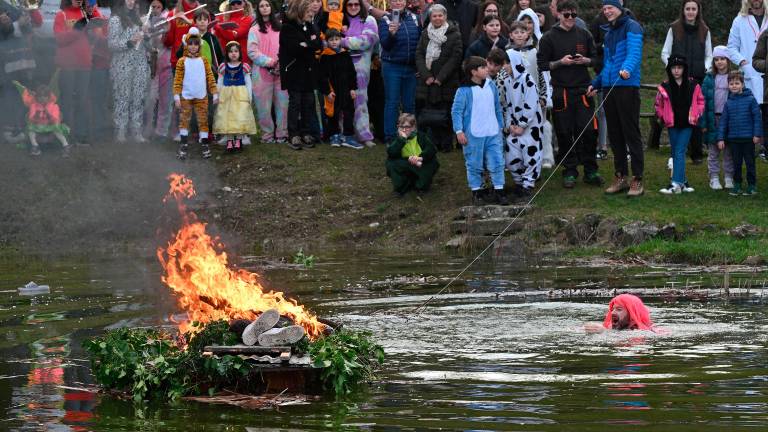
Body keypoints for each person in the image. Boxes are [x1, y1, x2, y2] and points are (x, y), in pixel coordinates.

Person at [538, 0, 603, 189]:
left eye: (573, 15)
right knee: (565, 132)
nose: (570, 19)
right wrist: (560, 63)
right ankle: (570, 171)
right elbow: (542, 64)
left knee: (590, 131)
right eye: (566, 15)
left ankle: (591, 170)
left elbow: (596, 60)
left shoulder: (584, 34)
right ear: (558, 14)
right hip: (561, 90)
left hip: (583, 89)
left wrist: (585, 60)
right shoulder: (549, 37)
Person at [588, 0, 644, 197]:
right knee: (615, 134)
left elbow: (634, 54)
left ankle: (637, 179)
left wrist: (627, 69)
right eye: (604, 9)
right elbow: (609, 63)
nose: (607, 11)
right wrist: (596, 83)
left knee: (631, 133)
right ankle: (620, 176)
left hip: (626, 86)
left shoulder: (632, 26)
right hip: (610, 87)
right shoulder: (609, 32)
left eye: (610, 7)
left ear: (619, 8)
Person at [451, 56, 508, 205]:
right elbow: (456, 111)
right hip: (473, 134)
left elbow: (497, 106)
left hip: (493, 132)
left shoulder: (491, 85)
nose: (487, 69)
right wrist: (459, 131)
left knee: (497, 161)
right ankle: (477, 192)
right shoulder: (463, 90)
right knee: (474, 163)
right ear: (473, 72)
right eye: (482, 67)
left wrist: (500, 126)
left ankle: (500, 191)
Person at [661, 1, 712, 165]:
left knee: (695, 115)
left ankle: (697, 154)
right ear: (683, 11)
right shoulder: (674, 28)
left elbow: (709, 54)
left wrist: (704, 68)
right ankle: (676, 152)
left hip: (697, 78)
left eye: (693, 9)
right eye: (688, 9)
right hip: (677, 79)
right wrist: (672, 67)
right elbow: (665, 52)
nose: (690, 12)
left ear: (698, 11)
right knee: (676, 115)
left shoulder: (705, 30)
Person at [53, 0, 105, 146]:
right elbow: (59, 40)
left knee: (82, 101)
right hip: (67, 65)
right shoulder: (61, 15)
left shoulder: (87, 13)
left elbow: (98, 38)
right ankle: (65, 135)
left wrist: (92, 27)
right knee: (66, 101)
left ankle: (80, 135)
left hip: (84, 65)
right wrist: (77, 29)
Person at [414, 3, 462, 153]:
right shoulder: (425, 34)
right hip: (427, 81)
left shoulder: (454, 34)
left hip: (446, 81)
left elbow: (455, 58)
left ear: (445, 17)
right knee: (430, 113)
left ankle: (446, 144)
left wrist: (440, 78)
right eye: (434, 16)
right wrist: (426, 76)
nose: (437, 18)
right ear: (430, 17)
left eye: (440, 15)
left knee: (446, 114)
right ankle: (432, 143)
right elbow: (419, 55)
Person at [654, 55, 705, 195]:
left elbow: (701, 101)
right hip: (672, 124)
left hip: (687, 124)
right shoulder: (664, 86)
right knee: (676, 152)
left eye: (679, 68)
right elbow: (658, 104)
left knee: (679, 151)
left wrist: (697, 113)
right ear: (669, 69)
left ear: (684, 69)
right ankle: (684, 182)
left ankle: (675, 184)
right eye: (673, 68)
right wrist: (663, 116)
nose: (676, 70)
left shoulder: (693, 85)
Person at [500, 49, 543, 200]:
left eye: (507, 63)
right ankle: (519, 184)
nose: (504, 66)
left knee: (531, 155)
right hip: (514, 127)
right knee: (512, 155)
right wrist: (510, 125)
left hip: (530, 127)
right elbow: (507, 106)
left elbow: (531, 105)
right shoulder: (507, 81)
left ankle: (528, 186)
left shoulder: (527, 80)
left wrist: (523, 125)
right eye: (504, 63)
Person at [279, 0, 322, 150]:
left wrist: (307, 44)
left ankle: (305, 132)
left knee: (308, 102)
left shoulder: (310, 25)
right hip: (293, 72)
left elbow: (318, 44)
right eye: (308, 11)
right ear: (300, 10)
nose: (311, 14)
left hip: (308, 71)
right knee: (295, 102)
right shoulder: (287, 27)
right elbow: (294, 49)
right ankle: (293, 134)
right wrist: (308, 44)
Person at [728, 0, 768, 160]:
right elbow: (731, 47)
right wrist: (743, 62)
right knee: (751, 112)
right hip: (749, 72)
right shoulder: (739, 20)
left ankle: (765, 148)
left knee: (766, 113)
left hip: (766, 74)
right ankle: (749, 147)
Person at [378, 0, 421, 142]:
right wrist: (392, 34)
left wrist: (419, 66)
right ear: (390, 4)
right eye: (394, 0)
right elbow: (385, 45)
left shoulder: (414, 18)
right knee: (392, 102)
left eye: (401, 0)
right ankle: (390, 136)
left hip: (411, 67)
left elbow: (420, 42)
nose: (398, 2)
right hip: (392, 66)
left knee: (409, 103)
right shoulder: (385, 19)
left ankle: (409, 134)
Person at [108, 0, 150, 143]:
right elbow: (112, 44)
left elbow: (147, 45)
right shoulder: (115, 20)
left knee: (138, 98)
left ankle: (136, 132)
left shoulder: (140, 20)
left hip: (140, 64)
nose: (131, 2)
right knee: (122, 98)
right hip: (122, 65)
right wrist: (130, 42)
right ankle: (120, 132)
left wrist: (147, 34)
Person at [173, 27, 218, 159]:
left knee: (203, 119)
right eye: (190, 44)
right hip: (185, 96)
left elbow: (210, 77)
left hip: (202, 95)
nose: (193, 47)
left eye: (196, 44)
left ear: (199, 45)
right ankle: (183, 144)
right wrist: (177, 97)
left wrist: (214, 93)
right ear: (186, 44)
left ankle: (204, 144)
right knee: (184, 120)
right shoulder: (182, 61)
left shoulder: (204, 61)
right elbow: (177, 80)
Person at [247, 0, 287, 144]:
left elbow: (286, 47)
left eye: (267, 5)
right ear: (258, 9)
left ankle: (282, 134)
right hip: (261, 73)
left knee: (283, 105)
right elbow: (252, 51)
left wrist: (280, 62)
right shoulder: (254, 29)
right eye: (262, 6)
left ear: (271, 8)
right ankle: (267, 135)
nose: (265, 8)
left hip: (280, 72)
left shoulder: (281, 28)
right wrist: (270, 62)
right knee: (263, 107)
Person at [717, 71, 762, 196]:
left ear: (742, 84)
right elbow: (723, 122)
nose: (734, 86)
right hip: (734, 140)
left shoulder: (751, 100)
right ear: (729, 86)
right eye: (731, 84)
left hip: (748, 139)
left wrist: (757, 134)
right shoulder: (728, 103)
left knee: (750, 163)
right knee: (736, 164)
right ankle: (737, 185)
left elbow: (757, 118)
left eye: (737, 83)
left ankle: (752, 186)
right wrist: (720, 138)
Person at [342, 0, 379, 146]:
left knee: (360, 99)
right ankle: (343, 132)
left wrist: (342, 42)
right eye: (349, 4)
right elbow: (328, 40)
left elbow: (366, 41)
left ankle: (364, 134)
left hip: (361, 68)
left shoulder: (369, 20)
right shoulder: (339, 19)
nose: (353, 7)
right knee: (341, 99)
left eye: (356, 4)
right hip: (340, 65)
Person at [318, 29, 361, 149]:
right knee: (333, 114)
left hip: (346, 90)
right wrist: (327, 91)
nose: (334, 42)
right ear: (327, 41)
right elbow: (322, 77)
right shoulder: (325, 56)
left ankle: (348, 136)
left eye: (336, 39)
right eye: (331, 40)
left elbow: (352, 73)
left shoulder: (345, 54)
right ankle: (334, 135)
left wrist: (353, 88)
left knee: (348, 112)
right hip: (333, 91)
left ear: (340, 40)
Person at [701, 46, 735, 190]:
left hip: (728, 120)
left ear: (727, 60)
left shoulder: (733, 77)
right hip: (712, 119)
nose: (719, 62)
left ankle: (728, 177)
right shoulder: (709, 79)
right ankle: (714, 178)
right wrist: (703, 122)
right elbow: (701, 102)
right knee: (713, 151)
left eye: (722, 59)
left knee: (729, 151)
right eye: (716, 59)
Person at [214, 41, 257, 152]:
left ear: (239, 53)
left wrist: (249, 97)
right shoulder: (223, 67)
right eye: (231, 51)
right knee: (227, 118)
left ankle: (238, 140)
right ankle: (229, 140)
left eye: (236, 51)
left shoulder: (244, 67)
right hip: (226, 95)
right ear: (227, 53)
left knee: (239, 117)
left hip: (240, 96)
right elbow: (219, 81)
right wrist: (217, 94)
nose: (233, 54)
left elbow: (248, 83)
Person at [13, 79, 71, 157]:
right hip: (38, 125)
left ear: (48, 97)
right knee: (30, 130)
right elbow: (31, 118)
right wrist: (36, 116)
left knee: (57, 129)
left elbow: (56, 118)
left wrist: (48, 114)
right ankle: (35, 146)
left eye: (44, 96)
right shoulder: (34, 105)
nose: (42, 98)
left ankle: (65, 146)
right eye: (40, 96)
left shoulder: (54, 106)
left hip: (50, 125)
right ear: (37, 97)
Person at [386, 113, 439, 195]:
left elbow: (432, 149)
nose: (404, 130)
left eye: (407, 127)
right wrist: (401, 140)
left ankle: (421, 187)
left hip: (420, 162)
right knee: (391, 164)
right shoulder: (397, 139)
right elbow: (391, 153)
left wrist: (420, 158)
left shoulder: (421, 137)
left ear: (413, 127)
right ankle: (401, 187)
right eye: (401, 127)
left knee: (431, 164)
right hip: (405, 162)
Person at [585, 294, 655, 333]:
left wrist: (604, 332)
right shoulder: (612, 326)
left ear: (632, 315)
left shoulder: (642, 332)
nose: (612, 312)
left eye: (619, 309)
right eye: (612, 309)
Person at [215, 0, 254, 64]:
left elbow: (233, 35)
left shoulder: (248, 19)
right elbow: (217, 36)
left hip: (241, 58)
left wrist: (219, 27)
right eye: (233, 3)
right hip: (225, 56)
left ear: (244, 3)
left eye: (239, 2)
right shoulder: (222, 17)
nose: (236, 5)